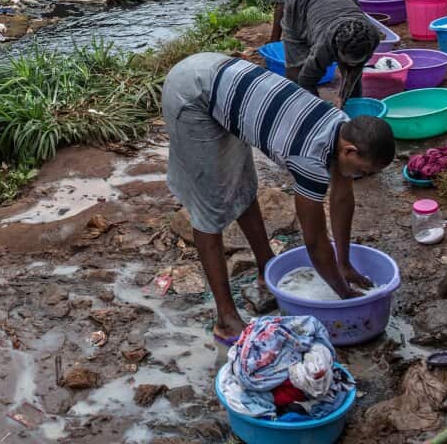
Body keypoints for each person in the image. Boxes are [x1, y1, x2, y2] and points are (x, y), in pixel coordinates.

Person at [163, 52, 396, 345]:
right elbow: (314, 240)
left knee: (243, 184)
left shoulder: (343, 125)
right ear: (349, 151)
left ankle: (266, 269)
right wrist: (344, 295)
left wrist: (345, 262)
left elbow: (341, 200)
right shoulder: (310, 157)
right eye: (362, 171)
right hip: (193, 93)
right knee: (209, 207)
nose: (361, 177)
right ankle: (226, 318)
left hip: (223, 79)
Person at [282, 0, 381, 106]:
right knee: (296, 66)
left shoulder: (372, 37)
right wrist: (321, 111)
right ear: (335, 47)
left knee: (353, 77)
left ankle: (353, 104)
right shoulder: (323, 47)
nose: (349, 65)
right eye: (346, 61)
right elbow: (306, 81)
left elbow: (355, 69)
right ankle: (295, 106)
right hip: (299, 1)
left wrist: (343, 96)